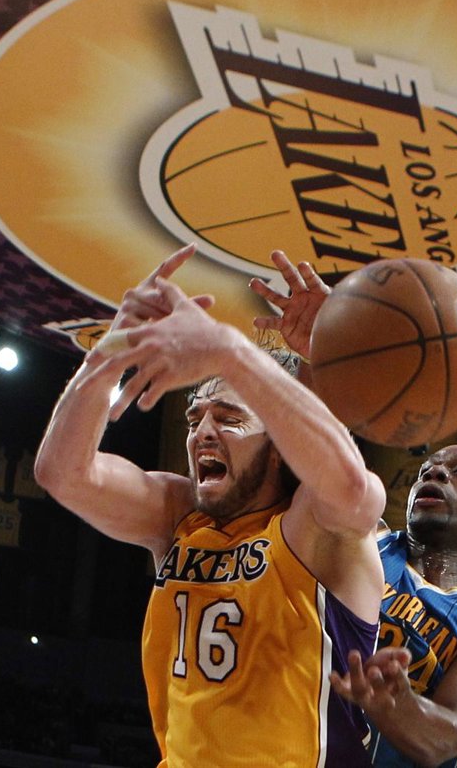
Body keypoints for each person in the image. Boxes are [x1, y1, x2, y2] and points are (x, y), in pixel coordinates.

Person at [34, 243, 387, 768]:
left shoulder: (318, 530)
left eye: (228, 417)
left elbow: (353, 489)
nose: (201, 432)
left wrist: (240, 354)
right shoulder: (179, 514)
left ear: (278, 446)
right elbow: (62, 473)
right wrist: (109, 350)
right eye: (195, 417)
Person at [252, 251, 457, 768]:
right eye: (427, 470)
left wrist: (392, 698)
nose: (434, 475)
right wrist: (325, 357)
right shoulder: (362, 542)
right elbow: (313, 463)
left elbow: (444, 738)